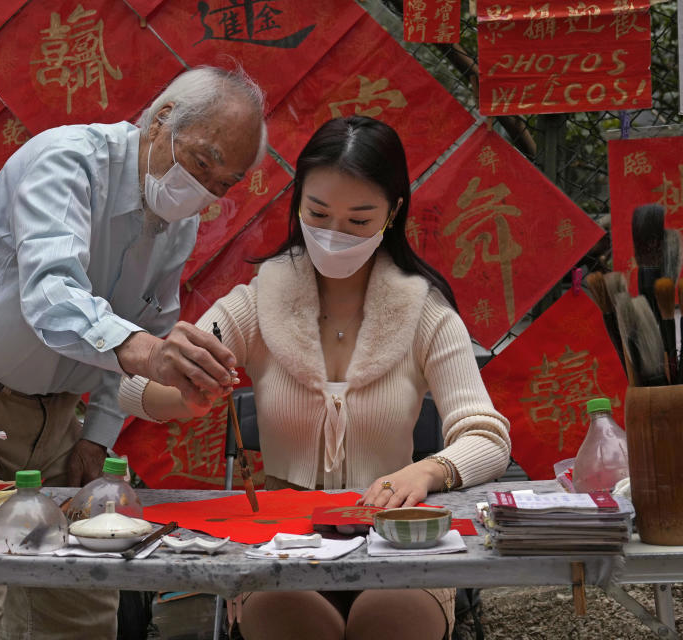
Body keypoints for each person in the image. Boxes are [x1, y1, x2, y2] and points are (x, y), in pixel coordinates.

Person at [0, 66, 266, 639]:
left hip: (54, 415)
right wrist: (148, 352)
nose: (203, 190)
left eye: (223, 184)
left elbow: (142, 325)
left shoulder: (177, 221)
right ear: (160, 122)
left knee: (79, 601)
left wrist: (98, 432)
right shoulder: (67, 160)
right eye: (201, 164)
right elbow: (55, 298)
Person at [119, 115, 511, 640]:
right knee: (290, 617)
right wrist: (184, 387)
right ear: (297, 201)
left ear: (393, 214)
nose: (334, 235)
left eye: (358, 220)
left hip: (398, 534)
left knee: (389, 621)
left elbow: (486, 437)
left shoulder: (425, 312)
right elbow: (132, 389)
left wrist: (425, 473)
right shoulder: (259, 300)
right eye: (319, 213)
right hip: (283, 540)